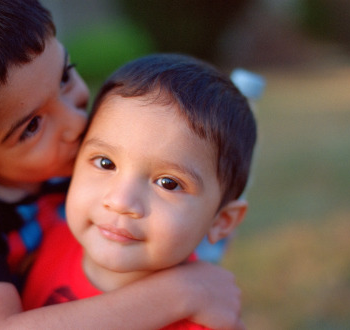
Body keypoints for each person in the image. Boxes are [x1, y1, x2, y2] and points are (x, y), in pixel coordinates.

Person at [0, 1, 242, 329]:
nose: (75, 123)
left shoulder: (66, 155)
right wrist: (181, 292)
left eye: (65, 77)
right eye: (32, 126)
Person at [22, 53, 257, 329]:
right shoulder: (48, 240)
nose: (121, 201)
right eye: (105, 163)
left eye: (168, 183)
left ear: (221, 221)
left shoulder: (200, 321)